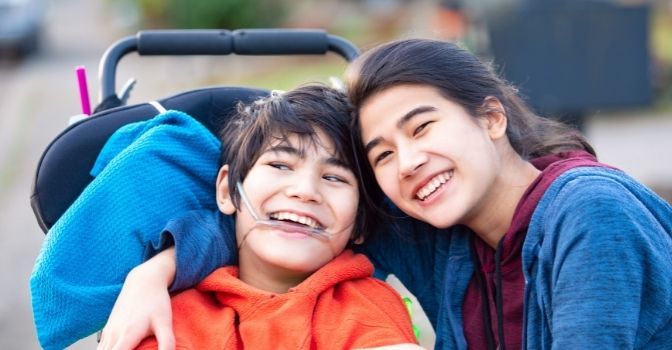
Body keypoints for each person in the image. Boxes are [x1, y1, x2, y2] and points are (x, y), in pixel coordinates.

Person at [100, 39, 672, 349]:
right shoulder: (443, 237)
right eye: (381, 155)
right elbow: (283, 226)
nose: (410, 162)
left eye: (422, 128)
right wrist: (153, 272)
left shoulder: (590, 212)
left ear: (492, 118)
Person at [99, 85, 420, 349]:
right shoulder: (170, 315)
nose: (305, 191)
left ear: (361, 223)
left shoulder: (367, 307)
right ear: (227, 191)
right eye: (280, 165)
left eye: (335, 178)